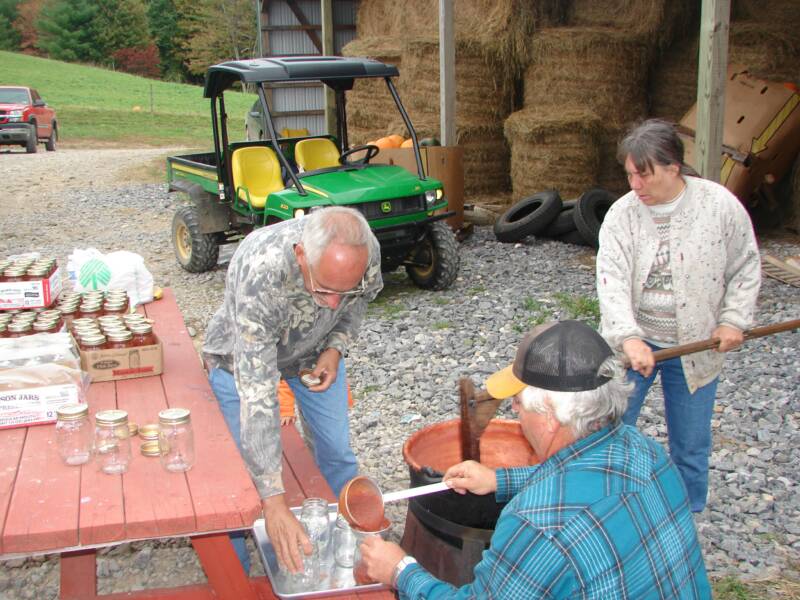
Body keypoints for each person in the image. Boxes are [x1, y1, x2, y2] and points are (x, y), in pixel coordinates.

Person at [359, 320, 711, 599]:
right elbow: (585, 483)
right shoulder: (645, 451)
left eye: (519, 402)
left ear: (550, 417)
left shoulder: (537, 522)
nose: (513, 409)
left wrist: (401, 571)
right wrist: (499, 480)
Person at [203, 206, 382, 573]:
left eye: (344, 290)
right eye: (324, 289)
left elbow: (359, 301)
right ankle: (238, 565)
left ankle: (347, 543)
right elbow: (258, 396)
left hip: (314, 353)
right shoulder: (261, 271)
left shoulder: (365, 250)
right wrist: (273, 499)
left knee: (337, 452)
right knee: (243, 475)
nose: (335, 302)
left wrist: (335, 347)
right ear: (301, 255)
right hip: (240, 360)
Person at [596, 118, 761, 512]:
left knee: (690, 444)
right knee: (609, 435)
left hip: (697, 346)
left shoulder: (718, 206)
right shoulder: (622, 215)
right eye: (630, 175)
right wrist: (628, 336)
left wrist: (733, 320)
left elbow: (745, 266)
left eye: (645, 175)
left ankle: (686, 518)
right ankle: (606, 513)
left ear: (674, 167)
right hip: (633, 346)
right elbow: (611, 278)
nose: (635, 185)